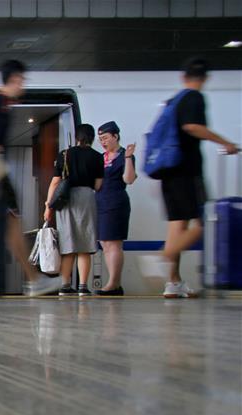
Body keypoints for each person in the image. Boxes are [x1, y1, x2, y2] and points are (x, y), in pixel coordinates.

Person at [139, 58, 239, 298]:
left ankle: (173, 282)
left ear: (184, 76)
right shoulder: (194, 98)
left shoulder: (173, 102)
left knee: (178, 224)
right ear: (204, 79)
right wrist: (225, 142)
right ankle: (161, 258)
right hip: (186, 171)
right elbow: (192, 127)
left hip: (168, 172)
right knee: (199, 225)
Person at [0, 60, 60, 297]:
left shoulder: (5, 103)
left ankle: (30, 279)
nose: (23, 85)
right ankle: (32, 280)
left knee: (10, 226)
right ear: (15, 78)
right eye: (22, 80)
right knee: (10, 225)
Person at [44, 124, 104, 296]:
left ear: (77, 137)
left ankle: (65, 285)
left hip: (66, 199)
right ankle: (83, 287)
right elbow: (98, 185)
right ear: (92, 138)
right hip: (86, 197)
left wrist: (48, 206)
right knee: (85, 245)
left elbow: (55, 182)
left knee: (68, 243)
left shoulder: (65, 154)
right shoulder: (97, 157)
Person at [95, 121, 137, 296]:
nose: (103, 142)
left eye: (105, 138)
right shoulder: (101, 158)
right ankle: (114, 283)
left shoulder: (124, 156)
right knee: (105, 243)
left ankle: (113, 283)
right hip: (101, 202)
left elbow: (129, 179)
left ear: (115, 136)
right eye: (100, 139)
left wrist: (128, 157)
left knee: (113, 244)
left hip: (116, 202)